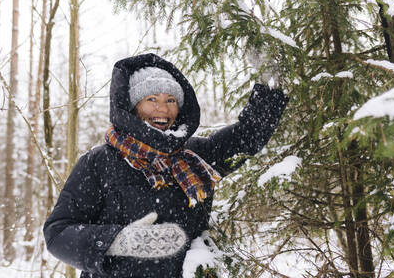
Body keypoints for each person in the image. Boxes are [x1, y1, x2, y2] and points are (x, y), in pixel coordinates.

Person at [43, 53, 289, 278]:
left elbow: (248, 135)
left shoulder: (194, 156)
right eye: (151, 99)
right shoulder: (98, 162)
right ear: (132, 106)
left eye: (171, 100)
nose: (162, 108)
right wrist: (117, 240)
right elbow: (57, 233)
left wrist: (270, 83)